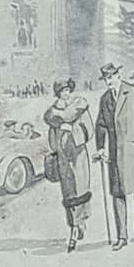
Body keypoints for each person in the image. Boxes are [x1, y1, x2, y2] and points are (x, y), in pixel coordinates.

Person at [94, 61, 134, 249]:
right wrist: (100, 147)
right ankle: (122, 236)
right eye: (105, 79)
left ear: (118, 76)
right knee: (118, 194)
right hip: (115, 154)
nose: (108, 81)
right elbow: (100, 124)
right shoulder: (105, 99)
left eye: (111, 77)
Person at [42, 78, 94, 251]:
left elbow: (89, 129)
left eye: (67, 90)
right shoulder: (52, 112)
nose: (66, 94)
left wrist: (75, 130)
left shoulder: (79, 106)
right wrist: (58, 142)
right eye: (62, 91)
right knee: (68, 192)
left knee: (81, 188)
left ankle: (81, 221)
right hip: (64, 158)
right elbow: (52, 137)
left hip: (79, 155)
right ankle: (73, 226)